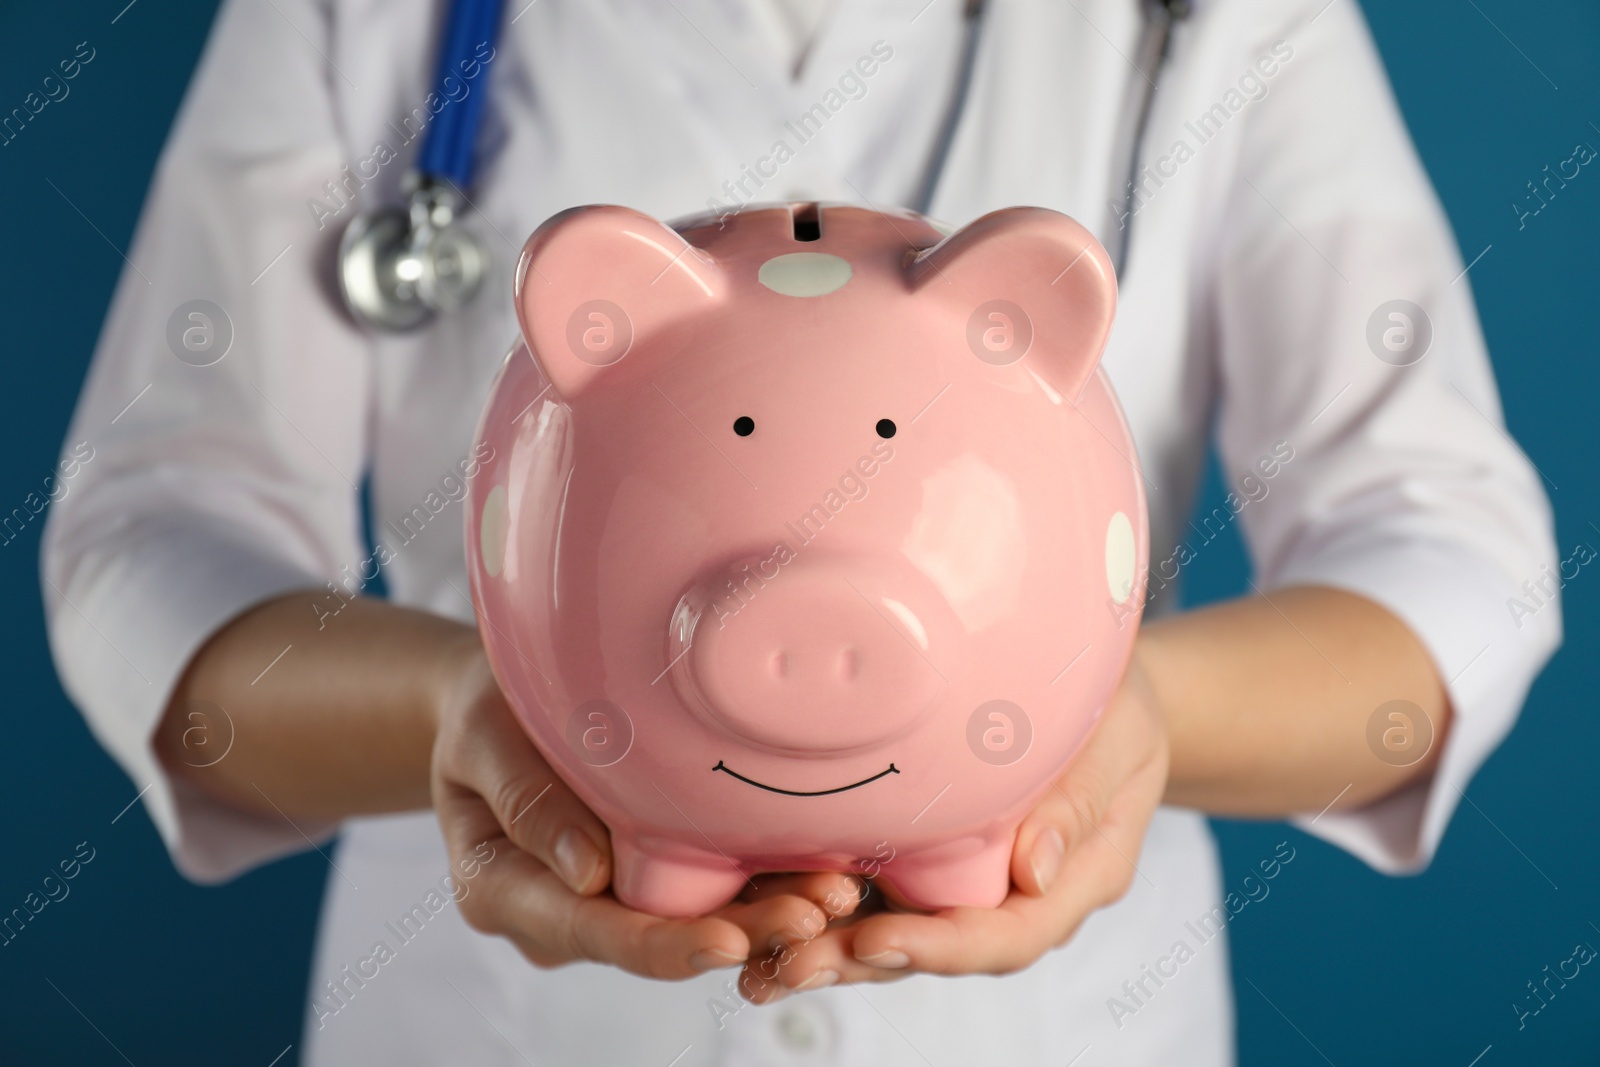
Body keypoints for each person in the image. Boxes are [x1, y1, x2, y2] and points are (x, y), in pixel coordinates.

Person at [43, 0, 1560, 1063]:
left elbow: (1450, 558)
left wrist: (1132, 715)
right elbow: (153, 540)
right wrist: (458, 707)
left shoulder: (1204, 19)